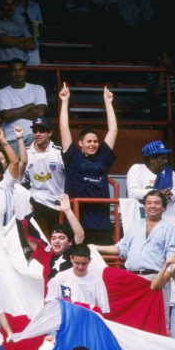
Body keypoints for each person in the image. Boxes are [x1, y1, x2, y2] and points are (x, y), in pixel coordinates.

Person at [93, 190, 175, 314]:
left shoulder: (169, 228)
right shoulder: (134, 226)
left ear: (164, 208)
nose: (152, 206)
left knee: (156, 319)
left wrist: (160, 282)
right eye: (149, 203)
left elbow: (172, 259)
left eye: (157, 203)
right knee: (134, 318)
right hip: (132, 279)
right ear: (144, 206)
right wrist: (96, 247)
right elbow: (121, 249)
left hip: (155, 279)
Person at [59, 84, 118, 245]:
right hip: (78, 219)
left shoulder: (103, 157)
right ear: (80, 143)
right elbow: (64, 127)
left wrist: (108, 103)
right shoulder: (73, 157)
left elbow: (113, 130)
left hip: (101, 221)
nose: (93, 144)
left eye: (95, 141)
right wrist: (65, 101)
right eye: (89, 141)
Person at [24, 119, 64, 235]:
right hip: (36, 199)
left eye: (41, 131)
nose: (37, 134)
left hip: (57, 202)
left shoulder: (59, 151)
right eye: (35, 131)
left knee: (57, 235)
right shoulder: (26, 152)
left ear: (49, 133)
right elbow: (22, 180)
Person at [46, 244, 110, 313]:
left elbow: (104, 310)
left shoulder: (97, 280)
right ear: (71, 259)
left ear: (90, 260)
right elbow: (49, 304)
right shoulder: (60, 277)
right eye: (77, 263)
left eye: (84, 263)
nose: (80, 267)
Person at [0, 60, 46, 145]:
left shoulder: (38, 89)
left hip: (33, 136)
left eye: (21, 70)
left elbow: (40, 113)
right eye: (14, 70)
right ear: (9, 73)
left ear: (25, 72)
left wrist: (13, 113)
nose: (18, 73)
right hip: (11, 138)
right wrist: (28, 106)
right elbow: (6, 116)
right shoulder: (2, 93)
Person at [0, 0, 39, 66]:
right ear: (0, 7)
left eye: (12, 4)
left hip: (22, 63)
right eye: (6, 4)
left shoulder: (20, 24)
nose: (10, 7)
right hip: (3, 63)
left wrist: (11, 40)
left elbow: (32, 44)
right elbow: (4, 40)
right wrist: (23, 40)